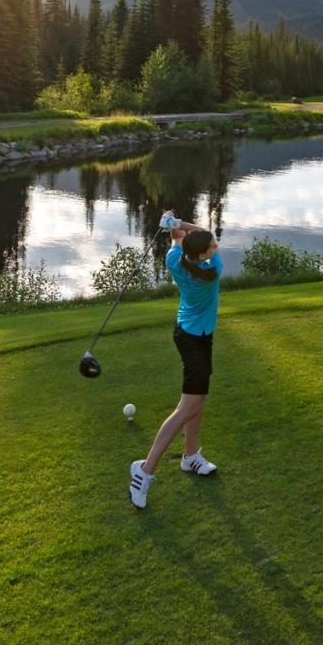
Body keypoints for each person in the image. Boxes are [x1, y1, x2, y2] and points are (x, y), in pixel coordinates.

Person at [129, 210, 224, 510]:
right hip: (195, 340)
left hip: (190, 334)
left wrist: (171, 222)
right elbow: (205, 236)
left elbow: (181, 240)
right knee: (187, 408)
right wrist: (179, 223)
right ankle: (143, 471)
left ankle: (190, 456)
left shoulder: (176, 261)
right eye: (210, 247)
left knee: (197, 401)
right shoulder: (213, 269)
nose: (214, 245)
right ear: (204, 255)